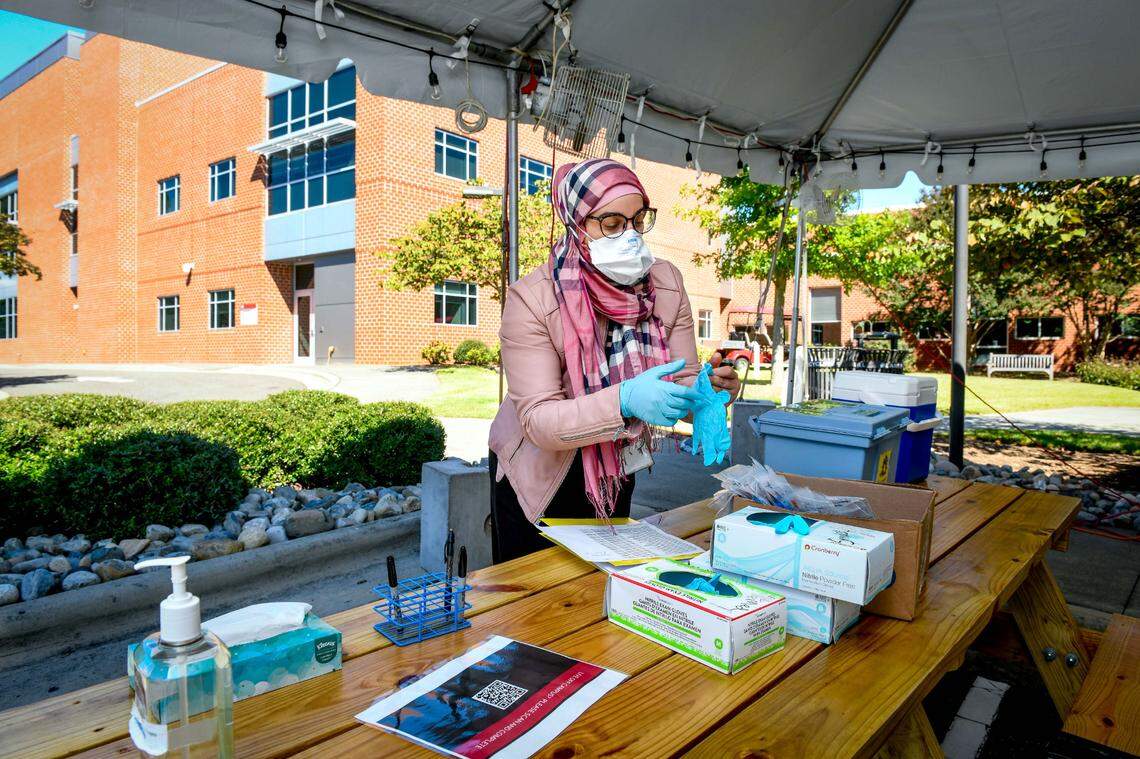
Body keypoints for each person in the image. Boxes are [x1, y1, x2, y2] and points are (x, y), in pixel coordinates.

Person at [487, 158, 741, 563]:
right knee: (536, 602)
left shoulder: (666, 284)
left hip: (614, 464)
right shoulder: (532, 298)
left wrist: (708, 392)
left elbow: (683, 377)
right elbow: (538, 420)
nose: (630, 236)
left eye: (638, 220)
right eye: (611, 223)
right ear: (577, 223)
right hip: (541, 473)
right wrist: (623, 400)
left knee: (605, 585)